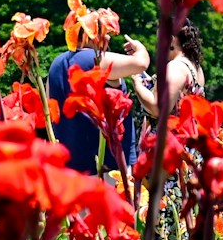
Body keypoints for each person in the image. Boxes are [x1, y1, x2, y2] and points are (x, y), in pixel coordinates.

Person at [47, 35, 150, 175]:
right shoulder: (95, 59)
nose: (108, 36)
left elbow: (50, 110)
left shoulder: (56, 65)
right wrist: (140, 48)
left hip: (69, 168)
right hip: (107, 167)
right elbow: (141, 63)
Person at [133, 21, 206, 121]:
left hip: (168, 135)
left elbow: (158, 108)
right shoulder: (197, 68)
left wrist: (137, 84)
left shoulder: (175, 67)